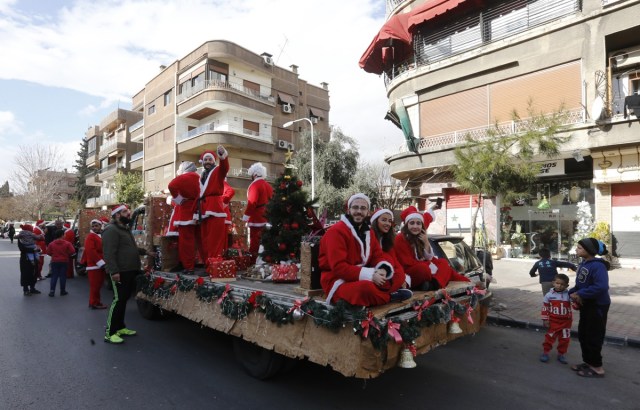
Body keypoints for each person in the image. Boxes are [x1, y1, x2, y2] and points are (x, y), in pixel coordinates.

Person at [319, 193, 411, 307]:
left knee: (398, 275)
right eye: (355, 207)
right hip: (338, 280)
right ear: (348, 210)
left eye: (363, 208)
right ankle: (390, 296)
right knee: (365, 288)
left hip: (360, 277)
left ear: (367, 212)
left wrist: (382, 269)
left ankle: (380, 293)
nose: (359, 211)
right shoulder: (336, 232)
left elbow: (377, 255)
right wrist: (371, 275)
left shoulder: (369, 232)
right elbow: (339, 268)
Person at [103, 204, 154, 344]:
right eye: (125, 211)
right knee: (118, 300)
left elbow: (130, 248)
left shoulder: (124, 229)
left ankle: (120, 328)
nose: (129, 213)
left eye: (128, 211)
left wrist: (145, 252)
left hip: (129, 270)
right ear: (117, 215)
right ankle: (110, 332)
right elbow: (109, 253)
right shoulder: (111, 230)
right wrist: (113, 271)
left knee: (123, 300)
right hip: (120, 272)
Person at [394, 206, 471, 291]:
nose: (415, 226)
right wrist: (429, 265)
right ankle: (434, 282)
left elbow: (429, 257)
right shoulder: (400, 238)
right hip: (408, 271)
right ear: (406, 224)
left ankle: (434, 284)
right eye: (412, 223)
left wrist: (426, 241)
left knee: (443, 263)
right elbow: (406, 262)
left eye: (418, 223)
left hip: (423, 266)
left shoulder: (420, 235)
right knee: (423, 269)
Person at [569, 238, 610, 378]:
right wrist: (571, 292)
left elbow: (602, 286)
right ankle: (588, 362)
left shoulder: (598, 266)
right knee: (583, 334)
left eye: (579, 247)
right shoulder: (584, 264)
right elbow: (581, 284)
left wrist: (580, 293)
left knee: (594, 336)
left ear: (589, 250)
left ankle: (597, 368)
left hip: (597, 305)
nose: (576, 249)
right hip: (586, 304)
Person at [168, 161, 202, 274]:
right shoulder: (200, 177)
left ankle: (189, 267)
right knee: (200, 240)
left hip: (186, 210)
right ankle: (207, 264)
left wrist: (178, 199)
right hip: (198, 210)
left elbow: (171, 186)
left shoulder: (183, 177)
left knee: (186, 242)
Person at [198, 146, 229, 262]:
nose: (207, 162)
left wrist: (223, 156)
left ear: (214, 161)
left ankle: (214, 264)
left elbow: (225, 168)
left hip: (215, 208)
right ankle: (208, 265)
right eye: (205, 160)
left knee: (214, 239)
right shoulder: (201, 175)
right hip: (204, 208)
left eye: (210, 160)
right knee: (205, 239)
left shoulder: (218, 171)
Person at [242, 162, 273, 264]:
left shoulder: (254, 185)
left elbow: (252, 203)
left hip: (257, 218)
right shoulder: (269, 186)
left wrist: (245, 217)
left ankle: (254, 262)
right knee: (266, 242)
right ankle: (266, 261)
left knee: (255, 241)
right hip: (268, 217)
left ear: (254, 174)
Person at [370, 208, 407, 291]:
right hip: (374, 275)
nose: (388, 223)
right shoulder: (369, 238)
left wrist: (402, 277)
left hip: (388, 275)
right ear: (375, 221)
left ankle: (391, 291)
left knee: (400, 275)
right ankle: (391, 293)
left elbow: (395, 262)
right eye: (384, 220)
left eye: (390, 221)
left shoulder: (388, 240)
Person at [539, 273, 572, 364]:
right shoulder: (549, 295)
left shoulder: (569, 295)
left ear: (567, 285)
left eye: (562, 284)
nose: (559, 286)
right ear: (553, 283)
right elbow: (545, 308)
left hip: (566, 322)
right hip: (553, 321)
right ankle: (545, 353)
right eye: (557, 283)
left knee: (565, 339)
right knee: (549, 337)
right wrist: (545, 319)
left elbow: (575, 305)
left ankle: (561, 354)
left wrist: (577, 302)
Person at [82, 218, 108, 309]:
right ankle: (94, 303)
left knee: (98, 285)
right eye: (93, 226)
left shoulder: (99, 236)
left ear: (101, 226)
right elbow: (91, 251)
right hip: (94, 266)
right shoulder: (91, 237)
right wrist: (100, 263)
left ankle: (96, 302)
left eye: (96, 226)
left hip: (98, 265)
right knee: (95, 286)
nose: (94, 228)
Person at [46, 229, 76, 297]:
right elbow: (72, 251)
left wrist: (54, 255)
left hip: (55, 261)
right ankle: (62, 291)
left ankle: (52, 291)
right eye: (64, 234)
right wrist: (66, 254)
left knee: (54, 276)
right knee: (63, 276)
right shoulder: (67, 243)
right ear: (62, 235)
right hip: (64, 261)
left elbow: (48, 252)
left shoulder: (51, 243)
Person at [17, 224, 43, 296]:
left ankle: (32, 288)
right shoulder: (21, 238)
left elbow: (40, 239)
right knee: (25, 273)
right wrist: (34, 250)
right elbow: (22, 249)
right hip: (25, 259)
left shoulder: (31, 236)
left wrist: (37, 249)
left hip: (33, 257)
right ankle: (25, 289)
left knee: (34, 272)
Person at [223, 179, 235, 249]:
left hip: (222, 216)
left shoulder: (221, 182)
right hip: (220, 215)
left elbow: (231, 191)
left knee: (221, 240)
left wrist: (222, 203)